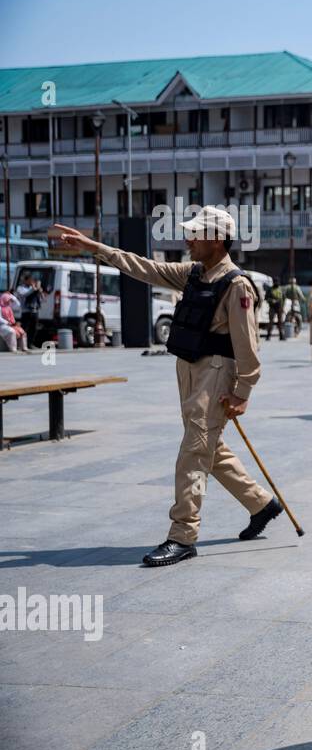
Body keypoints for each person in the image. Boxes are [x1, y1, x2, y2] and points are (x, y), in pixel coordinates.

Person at [50, 208, 283, 566]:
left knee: (194, 452)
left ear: (217, 240)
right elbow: (142, 266)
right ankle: (261, 504)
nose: (188, 239)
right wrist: (93, 246)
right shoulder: (193, 274)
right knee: (208, 446)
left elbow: (249, 349)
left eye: (196, 234)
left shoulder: (237, 285)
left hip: (215, 375)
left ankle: (183, 536)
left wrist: (242, 393)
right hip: (189, 371)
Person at [16, 274, 41, 346]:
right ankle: (21, 344)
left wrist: (38, 290)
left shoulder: (33, 288)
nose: (32, 282)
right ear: (26, 280)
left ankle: (30, 343)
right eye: (30, 280)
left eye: (32, 280)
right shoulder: (20, 288)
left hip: (34, 310)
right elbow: (24, 294)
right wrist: (33, 289)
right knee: (25, 328)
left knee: (34, 328)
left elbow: (40, 298)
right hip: (25, 311)